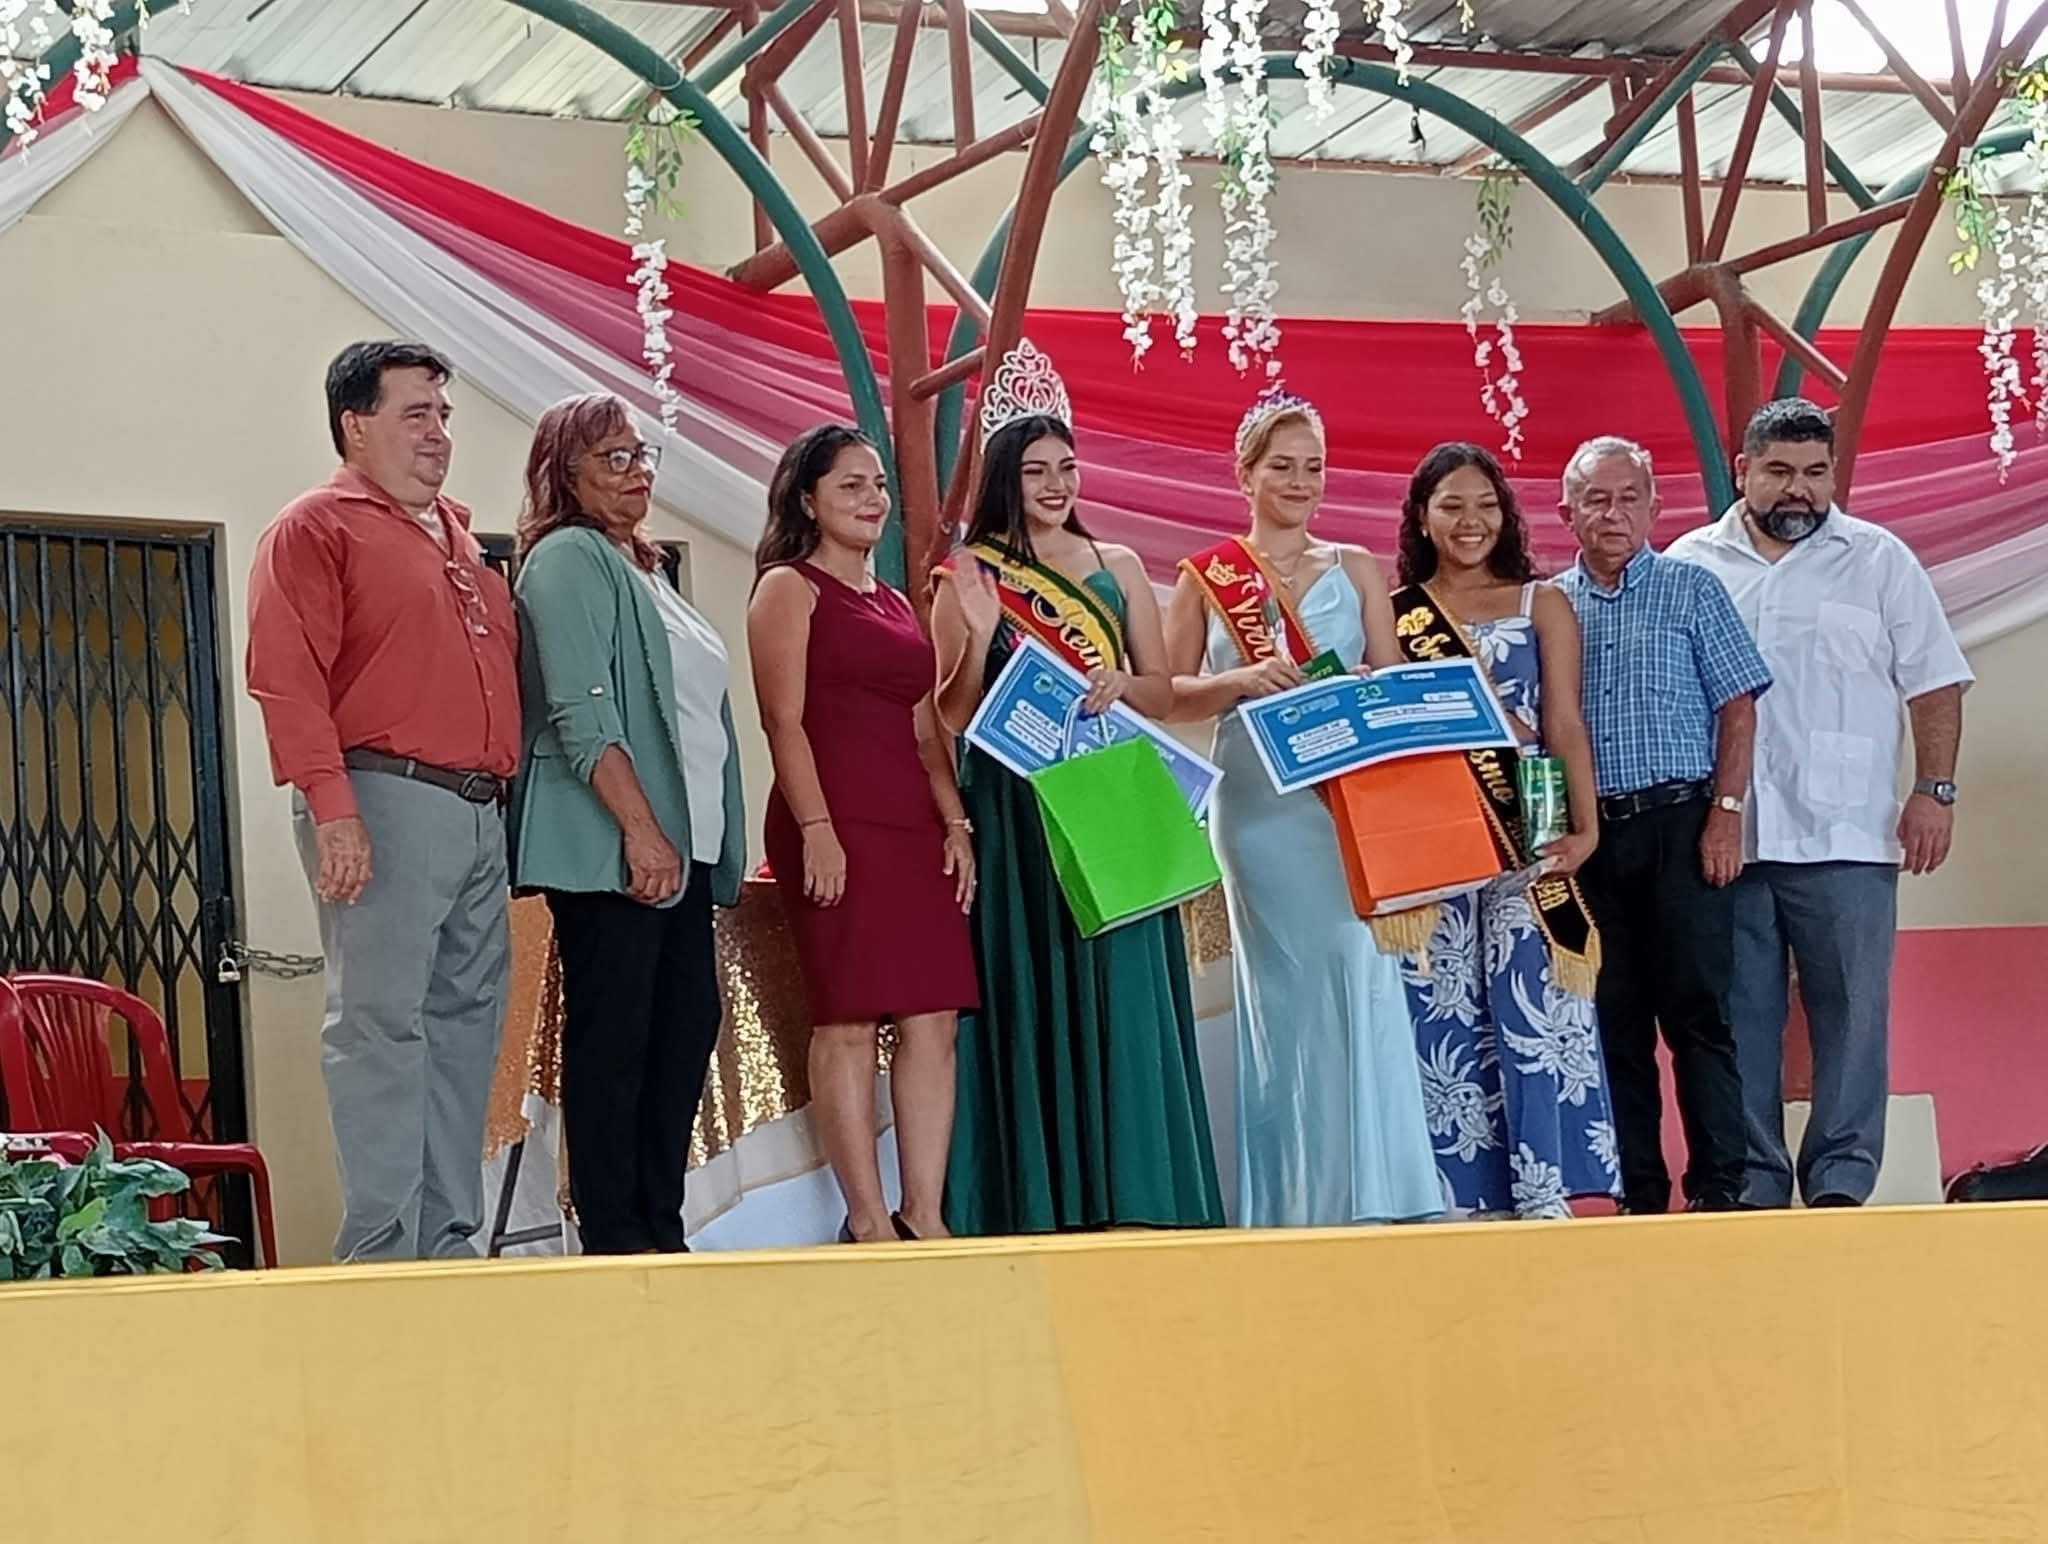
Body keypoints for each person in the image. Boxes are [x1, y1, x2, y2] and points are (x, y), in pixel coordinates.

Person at [929, 338, 1224, 1235]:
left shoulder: (1119, 562)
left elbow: (1163, 692)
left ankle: (1139, 1192)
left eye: (1067, 467)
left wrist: (1119, 684)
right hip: (1018, 804)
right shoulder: (970, 573)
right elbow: (948, 713)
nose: (1056, 484)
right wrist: (979, 630)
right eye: (1035, 470)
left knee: (1123, 988)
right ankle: (1042, 1197)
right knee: (1037, 981)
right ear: (1003, 476)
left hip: (1111, 795)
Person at [246, 340, 519, 1262]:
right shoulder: (316, 527)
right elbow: (285, 678)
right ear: (354, 425)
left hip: (478, 808)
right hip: (383, 795)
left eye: (443, 415)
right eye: (414, 415)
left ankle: (446, 1241)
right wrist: (334, 809)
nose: (438, 434)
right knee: (379, 1024)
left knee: (465, 1029)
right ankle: (382, 1250)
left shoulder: (460, 539)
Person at [1665, 399, 1971, 1209]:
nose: (1798, 489)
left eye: (1815, 472)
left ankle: (1840, 1182)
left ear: (1833, 473)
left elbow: (1935, 683)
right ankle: (1754, 1183)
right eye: (1779, 471)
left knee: (1853, 1019)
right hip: (1728, 838)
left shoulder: (1879, 561)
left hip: (1850, 833)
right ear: (1743, 471)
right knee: (1737, 1022)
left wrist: (1934, 791)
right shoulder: (1690, 564)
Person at [1162, 389, 1440, 1226]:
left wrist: (1362, 688)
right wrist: (1241, 679)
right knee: (1282, 986)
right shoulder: (1206, 579)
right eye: (1282, 466)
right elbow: (1169, 694)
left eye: (1313, 467)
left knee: (1357, 963)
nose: (1300, 482)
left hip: (1343, 793)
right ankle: (1297, 1198)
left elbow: (1392, 679)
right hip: (1257, 802)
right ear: (1244, 473)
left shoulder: (1356, 567)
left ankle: (1381, 1188)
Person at [507, 393, 747, 1255]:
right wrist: (641, 832)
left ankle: (658, 1227)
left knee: (680, 1032)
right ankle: (615, 1236)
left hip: (682, 846)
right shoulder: (568, 558)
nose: (637, 472)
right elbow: (583, 711)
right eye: (614, 458)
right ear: (564, 473)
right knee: (617, 1041)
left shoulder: (645, 566)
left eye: (642, 455)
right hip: (612, 847)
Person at [748, 424, 981, 1245]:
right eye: (851, 484)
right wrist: (816, 828)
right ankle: (869, 1218)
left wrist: (954, 820)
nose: (872, 498)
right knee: (847, 1017)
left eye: (878, 483)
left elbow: (925, 730)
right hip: (832, 818)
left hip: (910, 824)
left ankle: (925, 1211)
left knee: (933, 1017)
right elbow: (781, 721)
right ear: (807, 500)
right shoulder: (789, 588)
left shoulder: (895, 602)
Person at [1388, 442, 1620, 1218]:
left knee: (1529, 996)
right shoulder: (1398, 613)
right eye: (1452, 505)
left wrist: (1586, 828)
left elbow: (1565, 722)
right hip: (1435, 828)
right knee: (1444, 1000)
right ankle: (1457, 1196)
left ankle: (1543, 1188)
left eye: (1486, 504)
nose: (1471, 521)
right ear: (1423, 517)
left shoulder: (1540, 601)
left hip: (1528, 819)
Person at [1555, 436, 1772, 1215]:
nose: (1612, 514)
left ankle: (1720, 1186)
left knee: (1698, 1012)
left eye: (1628, 498)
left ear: (1653, 507)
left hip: (1684, 824)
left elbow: (1738, 707)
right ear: (1567, 513)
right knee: (1612, 1017)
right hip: (1590, 837)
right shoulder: (1551, 605)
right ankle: (1638, 1193)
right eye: (1596, 500)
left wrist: (1727, 814)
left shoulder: (1693, 589)